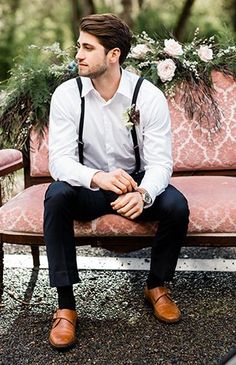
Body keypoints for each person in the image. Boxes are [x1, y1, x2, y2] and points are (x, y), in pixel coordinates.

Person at [44, 13, 189, 350]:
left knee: (175, 205)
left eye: (87, 48)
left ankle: (156, 285)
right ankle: (65, 306)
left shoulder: (147, 95)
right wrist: (96, 177)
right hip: (89, 184)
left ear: (113, 55)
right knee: (56, 196)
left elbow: (161, 163)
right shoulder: (67, 95)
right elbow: (59, 161)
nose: (77, 54)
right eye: (78, 45)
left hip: (133, 185)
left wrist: (144, 193)